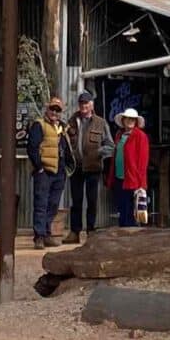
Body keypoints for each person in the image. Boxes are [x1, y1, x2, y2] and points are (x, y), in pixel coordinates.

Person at [65, 93, 110, 240]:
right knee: (76, 201)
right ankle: (75, 232)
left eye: (86, 103)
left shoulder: (101, 123)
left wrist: (98, 152)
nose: (83, 106)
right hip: (76, 167)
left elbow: (110, 145)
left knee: (92, 200)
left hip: (93, 167)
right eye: (81, 103)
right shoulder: (71, 121)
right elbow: (64, 142)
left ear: (92, 104)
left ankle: (91, 231)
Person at [23, 95, 67, 247]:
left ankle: (47, 233)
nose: (54, 112)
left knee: (53, 204)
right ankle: (39, 236)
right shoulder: (39, 125)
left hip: (59, 171)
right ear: (47, 110)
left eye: (58, 110)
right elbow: (32, 147)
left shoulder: (63, 127)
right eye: (52, 109)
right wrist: (39, 167)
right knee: (41, 204)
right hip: (44, 171)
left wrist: (66, 168)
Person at [113, 105, 151, 229]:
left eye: (132, 119)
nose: (130, 121)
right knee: (122, 209)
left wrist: (141, 183)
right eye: (127, 118)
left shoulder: (141, 136)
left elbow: (143, 161)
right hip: (120, 177)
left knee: (131, 212)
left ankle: (131, 236)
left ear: (136, 121)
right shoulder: (119, 135)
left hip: (133, 179)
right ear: (123, 120)